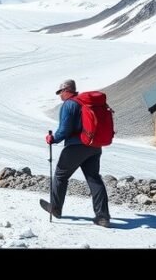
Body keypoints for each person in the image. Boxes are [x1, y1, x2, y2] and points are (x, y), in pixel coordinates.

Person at [41, 79, 111, 227]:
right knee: (94, 178)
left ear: (66, 90)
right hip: (94, 146)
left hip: (76, 146)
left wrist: (53, 138)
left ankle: (56, 208)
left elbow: (65, 129)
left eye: (60, 92)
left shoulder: (69, 104)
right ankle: (103, 217)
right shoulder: (85, 103)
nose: (60, 95)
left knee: (61, 175)